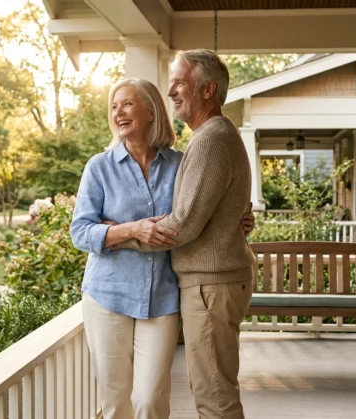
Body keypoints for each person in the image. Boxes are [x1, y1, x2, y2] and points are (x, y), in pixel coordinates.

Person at [70, 78, 254, 419]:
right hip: (107, 295)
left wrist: (237, 218)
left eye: (126, 104)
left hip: (162, 297)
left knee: (151, 400)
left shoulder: (181, 163)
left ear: (151, 110)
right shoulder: (100, 167)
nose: (118, 112)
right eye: (113, 106)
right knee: (115, 402)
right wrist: (132, 229)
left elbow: (201, 212)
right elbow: (80, 232)